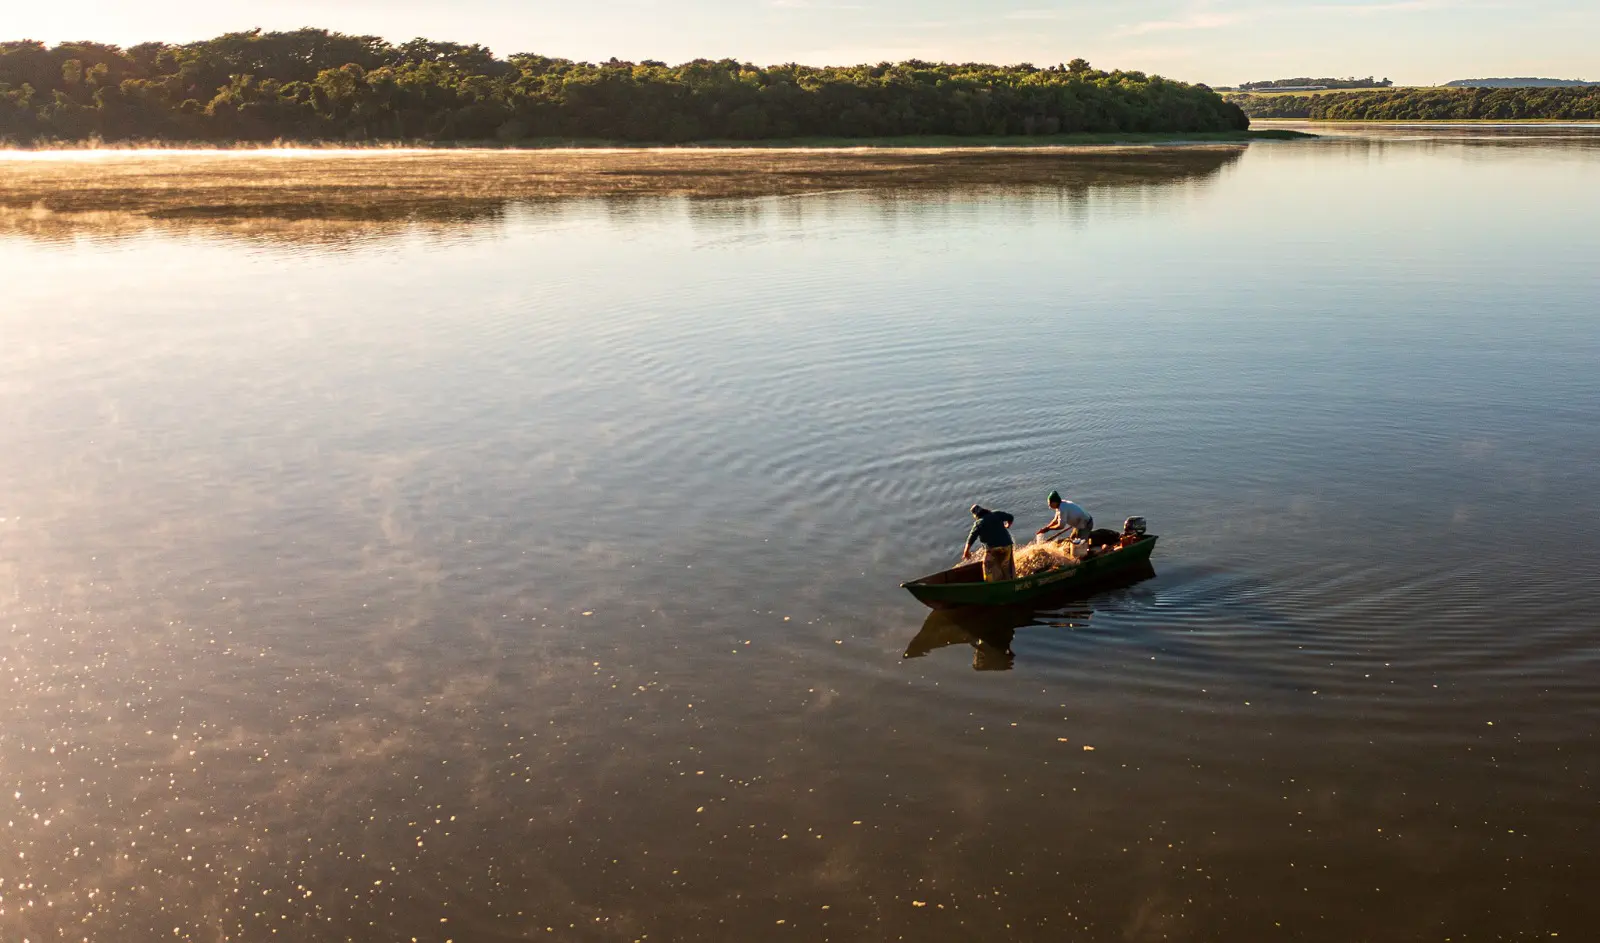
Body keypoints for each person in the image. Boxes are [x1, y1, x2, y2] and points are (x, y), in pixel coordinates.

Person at [962, 505, 1016, 582]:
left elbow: (971, 537)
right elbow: (1010, 517)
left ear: (975, 515)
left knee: (988, 566)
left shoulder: (978, 523)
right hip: (1006, 545)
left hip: (993, 549)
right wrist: (1008, 525)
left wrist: (966, 551)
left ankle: (991, 584)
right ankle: (1010, 582)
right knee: (1006, 567)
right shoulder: (996, 514)